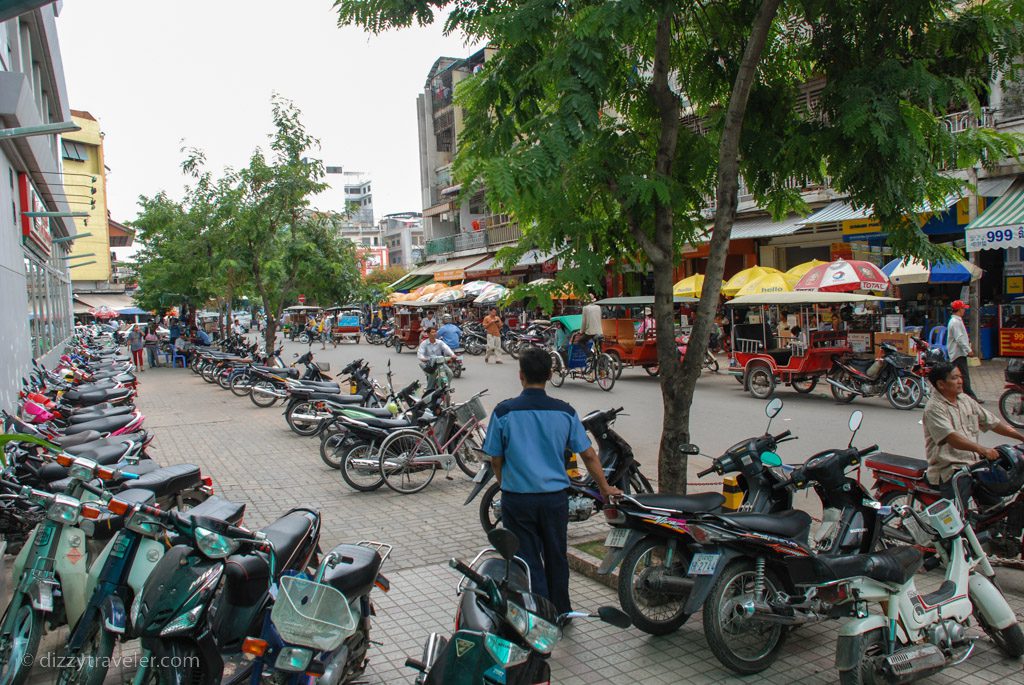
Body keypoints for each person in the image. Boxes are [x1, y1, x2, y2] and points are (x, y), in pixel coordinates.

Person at [482, 348, 622, 618]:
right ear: (549, 374)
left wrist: (505, 483)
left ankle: (538, 614)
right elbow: (590, 455)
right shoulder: (565, 412)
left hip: (518, 500)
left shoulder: (503, 412)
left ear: (520, 375)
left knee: (526, 558)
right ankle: (561, 612)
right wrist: (605, 488)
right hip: (555, 499)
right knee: (556, 555)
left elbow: (495, 459)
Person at [923, 362, 1024, 509]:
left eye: (960, 377)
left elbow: (993, 423)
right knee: (957, 518)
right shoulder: (934, 408)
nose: (960, 381)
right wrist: (983, 450)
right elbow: (952, 438)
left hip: (974, 465)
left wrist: (1021, 438)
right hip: (951, 470)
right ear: (941, 384)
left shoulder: (965, 399)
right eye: (954, 378)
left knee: (997, 509)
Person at [947, 300, 980, 402]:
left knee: (959, 375)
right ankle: (970, 397)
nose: (964, 311)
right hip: (957, 354)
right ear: (959, 310)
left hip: (958, 353)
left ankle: (965, 395)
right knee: (963, 376)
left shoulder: (957, 321)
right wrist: (968, 350)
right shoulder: (955, 322)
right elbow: (959, 338)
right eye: (963, 309)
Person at [417, 327, 457, 391]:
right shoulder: (424, 343)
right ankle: (429, 390)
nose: (434, 333)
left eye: (435, 332)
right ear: (428, 334)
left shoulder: (440, 342)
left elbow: (446, 348)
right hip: (429, 364)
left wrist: (452, 354)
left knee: (450, 374)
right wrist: (423, 358)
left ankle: (447, 387)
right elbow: (420, 353)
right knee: (433, 374)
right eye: (432, 332)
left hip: (440, 363)